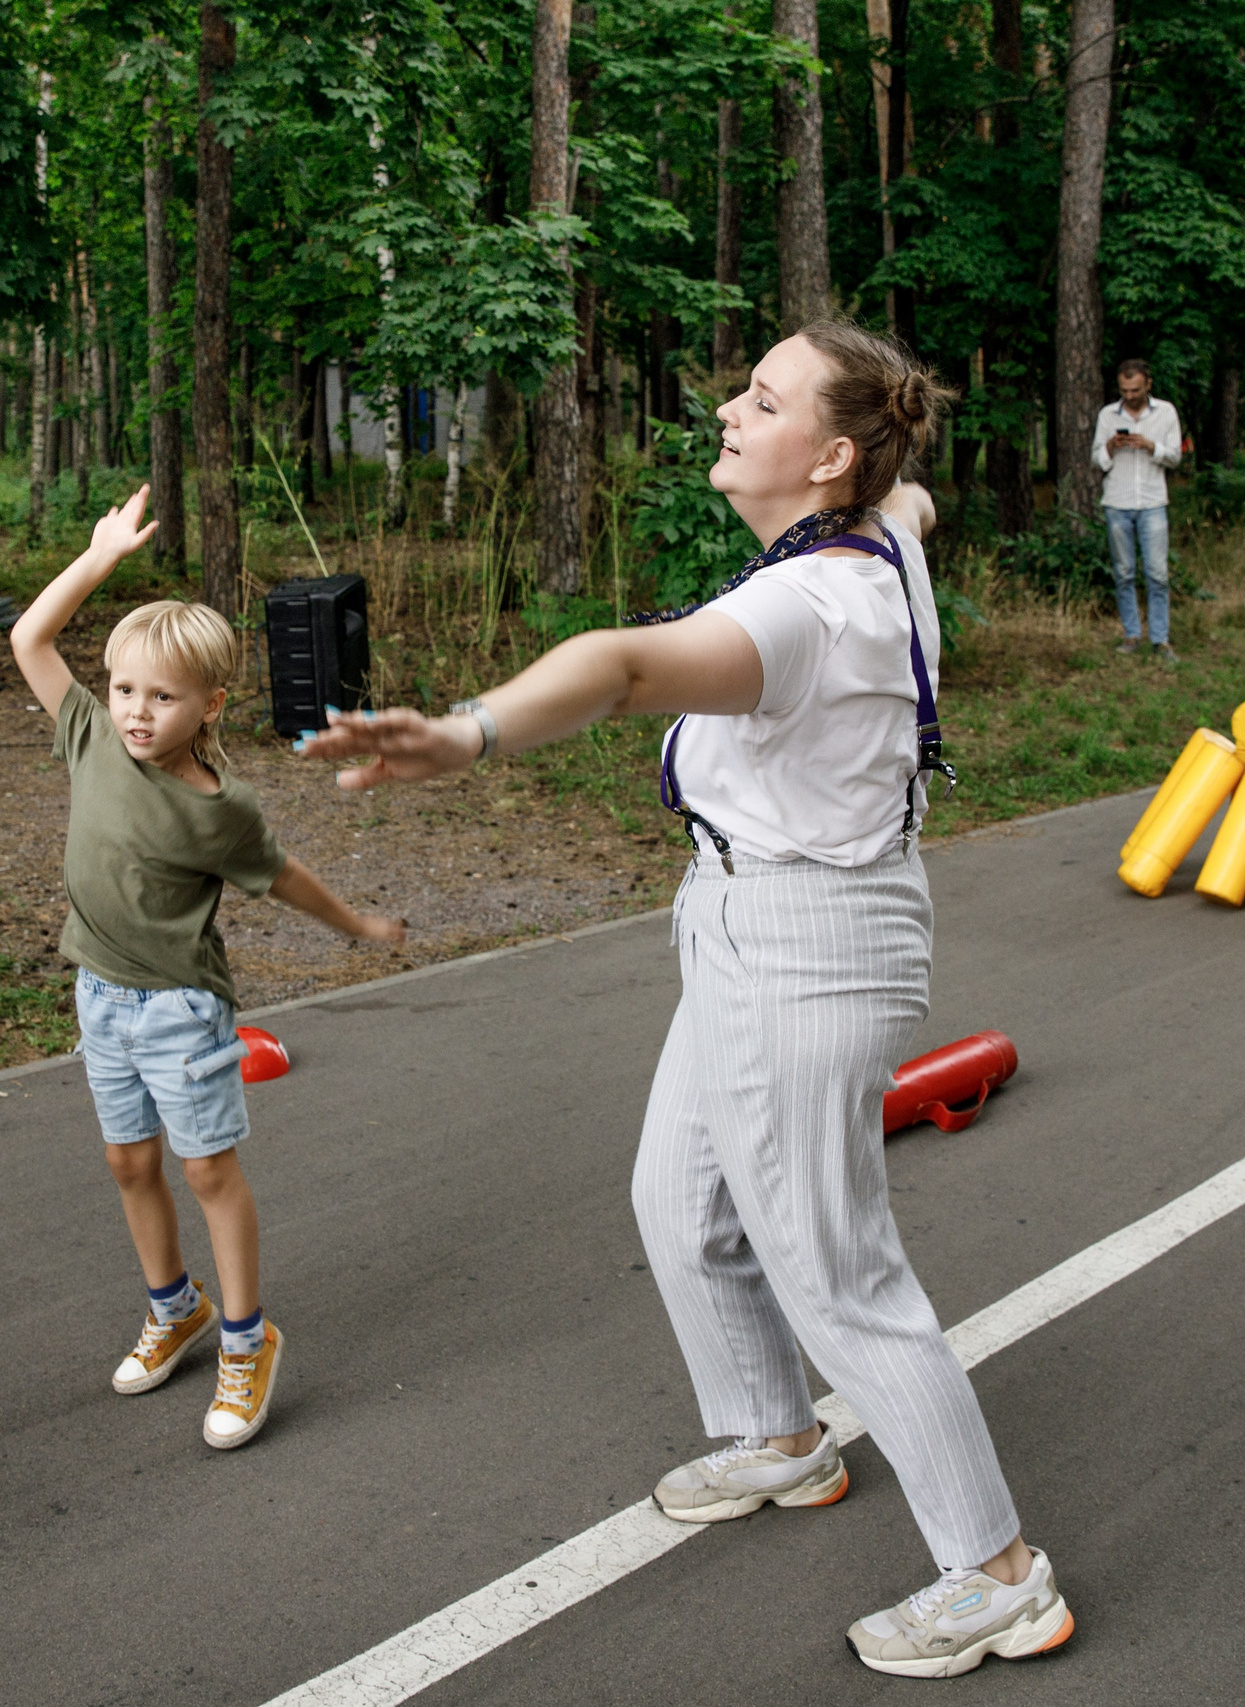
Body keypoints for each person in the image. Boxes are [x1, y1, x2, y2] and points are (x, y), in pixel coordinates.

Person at [301, 322, 1072, 1679]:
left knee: (837, 1268)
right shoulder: (881, 510)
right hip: (744, 911)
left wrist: (470, 729)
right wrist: (894, 480)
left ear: (827, 453)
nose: (725, 406)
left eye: (760, 398)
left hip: (807, 938)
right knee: (680, 1196)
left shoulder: (812, 605)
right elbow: (917, 491)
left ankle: (998, 1574)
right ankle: (778, 1434)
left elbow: (625, 662)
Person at [8, 486, 407, 1451]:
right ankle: (173, 1306)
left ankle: (243, 1338)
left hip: (180, 1010)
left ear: (211, 704)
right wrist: (99, 560)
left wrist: (352, 921)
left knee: (206, 1171)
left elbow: (283, 878)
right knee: (126, 1160)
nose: (138, 712)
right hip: (98, 991)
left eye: (164, 695)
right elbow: (30, 637)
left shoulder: (221, 809)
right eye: (127, 689)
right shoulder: (91, 737)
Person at [1092, 358, 1183, 664]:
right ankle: (1131, 634)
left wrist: (1149, 445)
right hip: (1117, 501)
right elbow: (1097, 460)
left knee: (1157, 573)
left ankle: (1161, 639)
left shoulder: (1166, 412)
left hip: (1153, 502)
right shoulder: (1107, 414)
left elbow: (1174, 457)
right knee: (1124, 572)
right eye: (1124, 390)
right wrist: (1111, 446)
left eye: (1135, 389)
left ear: (1148, 384)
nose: (1129, 395)